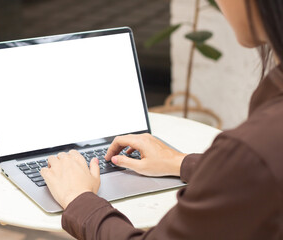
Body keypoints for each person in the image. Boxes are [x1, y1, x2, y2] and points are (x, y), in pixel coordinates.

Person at [40, 0, 283, 239]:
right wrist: (178, 162)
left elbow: (253, 165)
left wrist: (78, 198)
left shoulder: (252, 148)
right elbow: (256, 178)